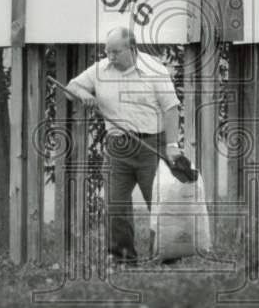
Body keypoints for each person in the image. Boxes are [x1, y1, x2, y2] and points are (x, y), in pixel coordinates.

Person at [67, 27, 182, 265]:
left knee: (159, 203)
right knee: (115, 203)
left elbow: (171, 108)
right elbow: (71, 88)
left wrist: (172, 145)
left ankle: (166, 256)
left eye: (116, 52)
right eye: (107, 51)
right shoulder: (100, 70)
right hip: (117, 146)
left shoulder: (154, 70)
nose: (110, 57)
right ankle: (123, 258)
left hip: (151, 144)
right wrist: (84, 95)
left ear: (132, 49)